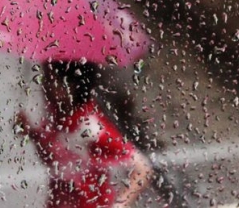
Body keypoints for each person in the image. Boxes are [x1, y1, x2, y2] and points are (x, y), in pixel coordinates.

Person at [15, 61, 152, 208]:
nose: (44, 87)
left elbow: (142, 168)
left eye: (51, 80)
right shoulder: (57, 118)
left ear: (71, 86)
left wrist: (119, 205)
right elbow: (55, 159)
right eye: (45, 79)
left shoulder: (89, 128)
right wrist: (30, 132)